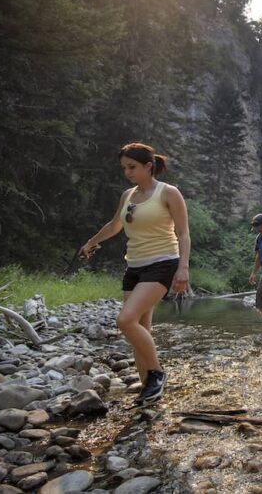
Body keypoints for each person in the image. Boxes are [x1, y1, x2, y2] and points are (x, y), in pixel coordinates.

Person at [80, 143, 190, 405]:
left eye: (132, 167)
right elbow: (114, 225)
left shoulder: (168, 193)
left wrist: (183, 268)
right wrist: (91, 242)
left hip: (163, 263)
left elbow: (184, 233)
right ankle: (147, 390)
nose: (127, 172)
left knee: (125, 320)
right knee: (140, 328)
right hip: (134, 266)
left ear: (148, 166)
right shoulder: (128, 195)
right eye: (124, 168)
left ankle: (156, 373)